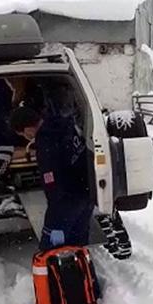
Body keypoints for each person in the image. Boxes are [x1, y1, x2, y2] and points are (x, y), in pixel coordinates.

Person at [9, 93, 92, 251]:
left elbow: (52, 184)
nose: (26, 138)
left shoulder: (45, 142)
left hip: (66, 202)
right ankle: (85, 275)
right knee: (78, 247)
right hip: (86, 195)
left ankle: (60, 275)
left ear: (27, 129)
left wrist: (54, 221)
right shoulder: (65, 125)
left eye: (22, 134)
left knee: (50, 252)